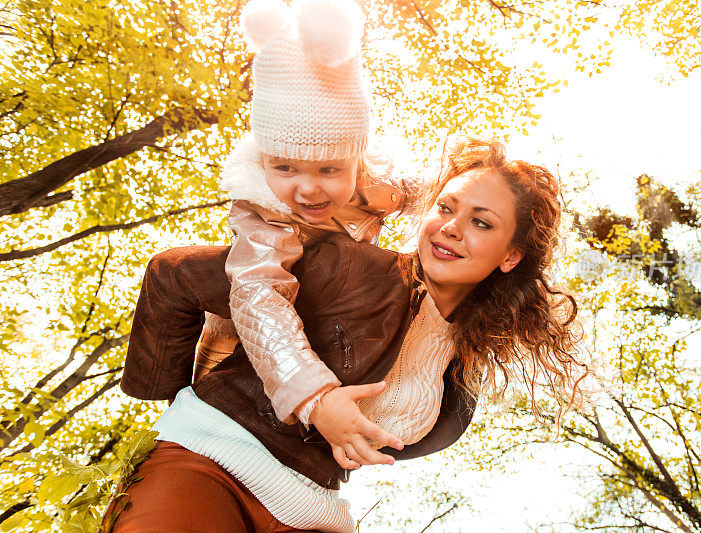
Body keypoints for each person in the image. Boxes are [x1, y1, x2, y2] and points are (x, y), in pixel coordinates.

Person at [109, 138, 590, 533]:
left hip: (314, 511)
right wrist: (170, 397)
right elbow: (172, 275)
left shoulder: (456, 398)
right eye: (445, 207)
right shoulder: (353, 267)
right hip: (208, 463)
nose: (450, 228)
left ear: (511, 257)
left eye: (481, 222)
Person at [205, 0, 420, 468]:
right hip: (247, 354)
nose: (307, 188)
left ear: (357, 161)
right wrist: (315, 397)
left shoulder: (380, 184)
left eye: (329, 168)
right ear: (263, 162)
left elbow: (432, 195)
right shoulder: (264, 210)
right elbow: (259, 296)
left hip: (337, 311)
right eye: (285, 167)